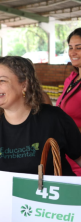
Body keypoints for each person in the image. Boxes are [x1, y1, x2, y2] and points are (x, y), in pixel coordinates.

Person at [56, 28, 81, 175]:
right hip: (66, 154)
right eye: (70, 48)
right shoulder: (71, 79)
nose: (73, 52)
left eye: (79, 48)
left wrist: (70, 132)